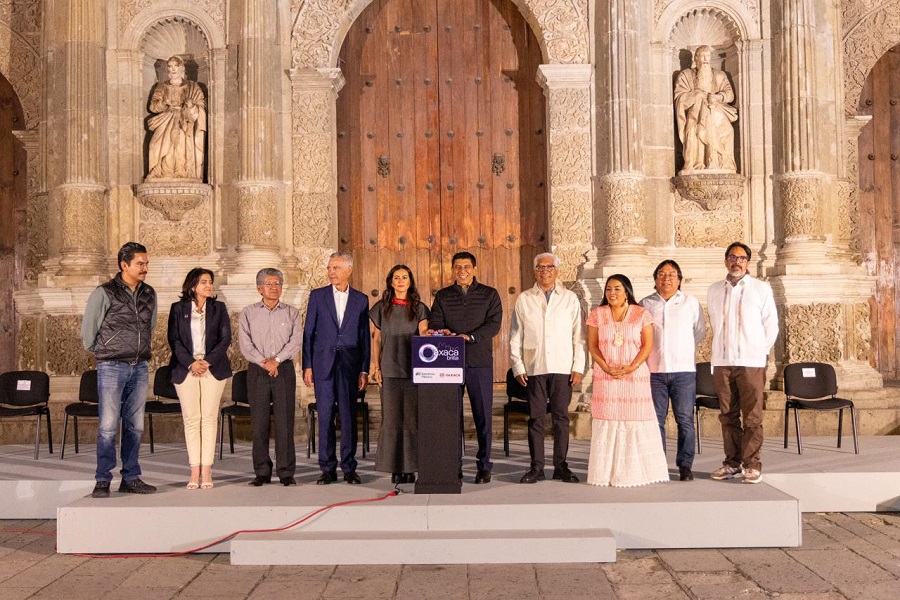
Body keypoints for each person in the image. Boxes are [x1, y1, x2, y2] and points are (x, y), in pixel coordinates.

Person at [81, 242, 158, 498]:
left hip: (139, 366)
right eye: (140, 264)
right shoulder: (104, 292)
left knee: (135, 426)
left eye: (146, 263)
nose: (145, 268)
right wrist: (106, 352)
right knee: (108, 426)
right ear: (124, 265)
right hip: (112, 366)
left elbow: (151, 326)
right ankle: (102, 479)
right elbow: (88, 332)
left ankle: (131, 478)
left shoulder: (150, 293)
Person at [586, 274, 669, 487]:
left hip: (635, 376)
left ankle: (637, 473)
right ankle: (606, 474)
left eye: (617, 289)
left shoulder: (642, 314)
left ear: (626, 292)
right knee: (608, 418)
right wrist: (606, 367)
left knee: (634, 419)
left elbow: (647, 345)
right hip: (606, 376)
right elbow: (593, 345)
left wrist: (631, 367)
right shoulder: (597, 314)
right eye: (608, 289)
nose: (612, 293)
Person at [509, 253, 584, 484]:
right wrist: (517, 365)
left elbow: (578, 335)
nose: (545, 271)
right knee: (536, 418)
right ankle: (536, 467)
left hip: (562, 367)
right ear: (535, 271)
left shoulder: (570, 298)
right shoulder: (524, 299)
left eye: (549, 267)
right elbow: (515, 336)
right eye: (540, 267)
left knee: (561, 417)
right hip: (534, 367)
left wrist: (578, 366)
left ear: (557, 271)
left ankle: (561, 466)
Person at [707, 242, 779, 484]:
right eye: (731, 257)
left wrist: (758, 352)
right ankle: (731, 463)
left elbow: (771, 325)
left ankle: (751, 464)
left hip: (751, 362)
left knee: (752, 416)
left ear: (748, 262)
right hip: (722, 361)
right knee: (727, 415)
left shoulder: (760, 289)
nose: (736, 261)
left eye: (741, 258)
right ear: (726, 261)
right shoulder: (715, 290)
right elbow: (716, 324)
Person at [428, 251, 502, 484]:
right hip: (449, 363)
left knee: (483, 417)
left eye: (467, 266)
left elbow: (494, 324)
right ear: (452, 269)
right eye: (458, 266)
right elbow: (435, 322)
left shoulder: (490, 294)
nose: (462, 270)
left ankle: (484, 466)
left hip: (479, 363)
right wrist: (445, 332)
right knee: (451, 418)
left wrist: (469, 337)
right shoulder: (443, 295)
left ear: (474, 268)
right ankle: (454, 466)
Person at [303, 252, 371, 485]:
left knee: (348, 417)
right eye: (330, 268)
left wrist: (364, 369)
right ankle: (327, 468)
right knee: (325, 416)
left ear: (349, 270)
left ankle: (349, 467)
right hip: (323, 365)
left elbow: (364, 338)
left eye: (336, 268)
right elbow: (308, 333)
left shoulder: (361, 300)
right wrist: (308, 365)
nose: (331, 272)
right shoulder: (317, 296)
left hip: (350, 367)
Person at [640, 260, 706, 482]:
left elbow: (699, 332)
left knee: (684, 420)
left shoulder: (690, 303)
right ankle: (658, 465)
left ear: (679, 279)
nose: (666, 278)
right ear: (655, 279)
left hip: (683, 371)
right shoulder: (645, 304)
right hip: (654, 371)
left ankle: (685, 465)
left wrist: (681, 349)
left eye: (671, 274)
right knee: (655, 420)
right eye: (661, 274)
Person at [167, 267, 232, 490]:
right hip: (186, 369)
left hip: (213, 369)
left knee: (209, 418)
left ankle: (207, 469)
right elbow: (174, 340)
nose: (208, 285)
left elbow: (225, 339)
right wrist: (191, 363)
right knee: (192, 419)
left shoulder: (219, 308)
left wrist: (207, 361)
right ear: (193, 285)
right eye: (204, 281)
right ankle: (194, 469)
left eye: (210, 282)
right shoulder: (178, 309)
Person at [238, 268, 302, 487]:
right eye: (269, 284)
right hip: (258, 370)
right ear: (259, 288)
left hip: (283, 370)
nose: (274, 287)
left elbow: (295, 341)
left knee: (285, 422)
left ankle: (286, 472)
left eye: (278, 283)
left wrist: (277, 360)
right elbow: (245, 344)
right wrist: (264, 362)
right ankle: (262, 471)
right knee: (259, 422)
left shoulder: (293, 313)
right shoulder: (248, 313)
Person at [369, 265, 429, 484]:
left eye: (405, 277)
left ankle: (411, 467)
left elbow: (424, 333)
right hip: (390, 369)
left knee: (412, 420)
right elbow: (375, 339)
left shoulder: (420, 308)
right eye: (397, 277)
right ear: (391, 282)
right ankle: (394, 467)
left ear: (410, 281)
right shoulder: (380, 308)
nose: (401, 281)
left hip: (414, 370)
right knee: (392, 419)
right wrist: (376, 367)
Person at [674, 45, 738, 173]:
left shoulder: (719, 75)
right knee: (698, 123)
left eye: (707, 56)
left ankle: (722, 162)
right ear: (695, 58)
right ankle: (700, 161)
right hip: (695, 114)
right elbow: (680, 98)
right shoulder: (686, 75)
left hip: (717, 110)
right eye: (702, 56)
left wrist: (718, 97)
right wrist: (696, 95)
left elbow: (729, 95)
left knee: (728, 130)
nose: (705, 59)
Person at [147, 55, 206, 180]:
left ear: (182, 68)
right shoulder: (161, 87)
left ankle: (182, 172)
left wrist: (191, 106)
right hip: (166, 119)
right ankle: (160, 171)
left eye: (176, 66)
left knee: (180, 144)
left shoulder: (192, 87)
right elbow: (153, 106)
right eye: (170, 66)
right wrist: (163, 104)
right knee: (155, 145)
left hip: (184, 120)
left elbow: (201, 105)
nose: (173, 69)